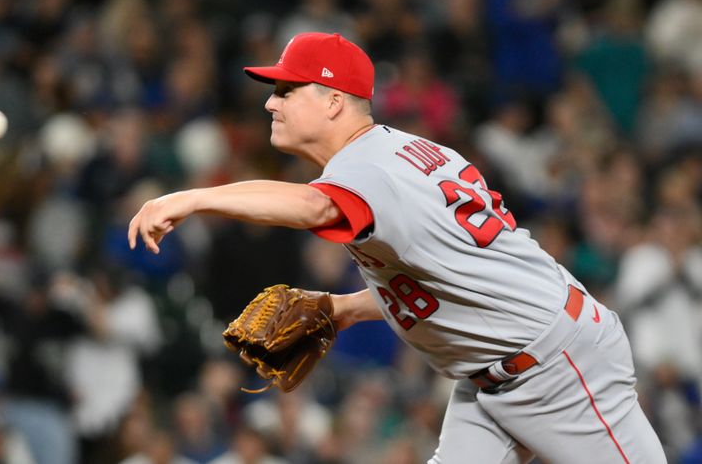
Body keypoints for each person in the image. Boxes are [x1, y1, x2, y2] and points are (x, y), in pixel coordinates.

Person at [127, 32, 666, 463]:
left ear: (334, 100)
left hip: (555, 367)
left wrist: (193, 198)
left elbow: (314, 208)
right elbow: (444, 275)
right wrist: (343, 309)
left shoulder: (366, 170)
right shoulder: (402, 154)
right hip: (499, 374)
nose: (271, 102)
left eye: (286, 90)